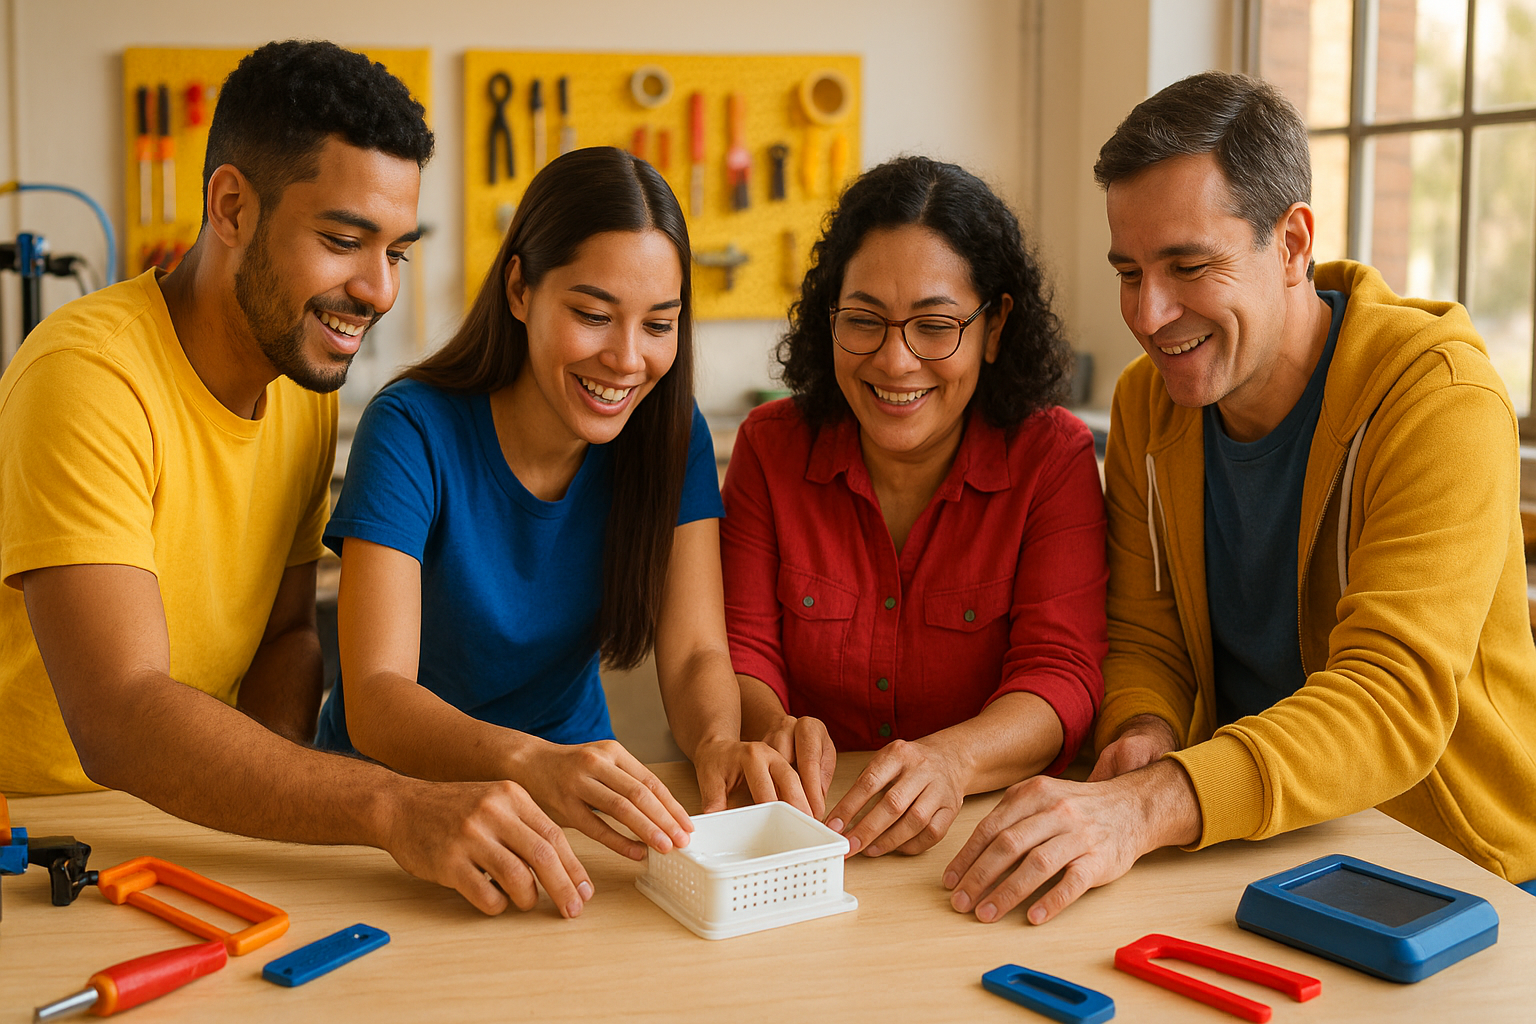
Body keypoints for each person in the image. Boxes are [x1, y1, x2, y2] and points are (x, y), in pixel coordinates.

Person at [0, 40, 599, 919]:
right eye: (344, 240)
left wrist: (268, 799)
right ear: (232, 206)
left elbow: (286, 636)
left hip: (194, 832)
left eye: (397, 248)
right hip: (53, 848)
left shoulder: (299, 381)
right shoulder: (86, 376)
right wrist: (388, 804)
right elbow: (120, 715)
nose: (380, 288)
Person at [944, 71, 1536, 926]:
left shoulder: (1439, 397)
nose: (1148, 314)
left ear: (1292, 244)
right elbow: (1148, 634)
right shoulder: (1151, 404)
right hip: (1254, 847)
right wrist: (1143, 731)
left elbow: (1390, 699)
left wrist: (1152, 802)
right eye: (1129, 271)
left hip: (1455, 870)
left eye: (1188, 266)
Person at [319, 147, 812, 860]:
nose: (626, 358)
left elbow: (697, 650)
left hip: (572, 805)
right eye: (593, 314)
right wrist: (527, 762)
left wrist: (716, 743)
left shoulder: (672, 437)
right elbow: (375, 698)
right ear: (520, 290)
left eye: (659, 323)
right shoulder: (412, 428)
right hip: (393, 812)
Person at [721, 155, 1108, 858]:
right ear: (827, 316)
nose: (895, 362)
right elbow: (744, 647)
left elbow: (1063, 675)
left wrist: (955, 760)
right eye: (864, 321)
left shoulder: (1054, 458)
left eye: (935, 327)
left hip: (978, 841)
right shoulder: (768, 448)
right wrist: (769, 722)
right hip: (803, 832)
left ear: (994, 328)